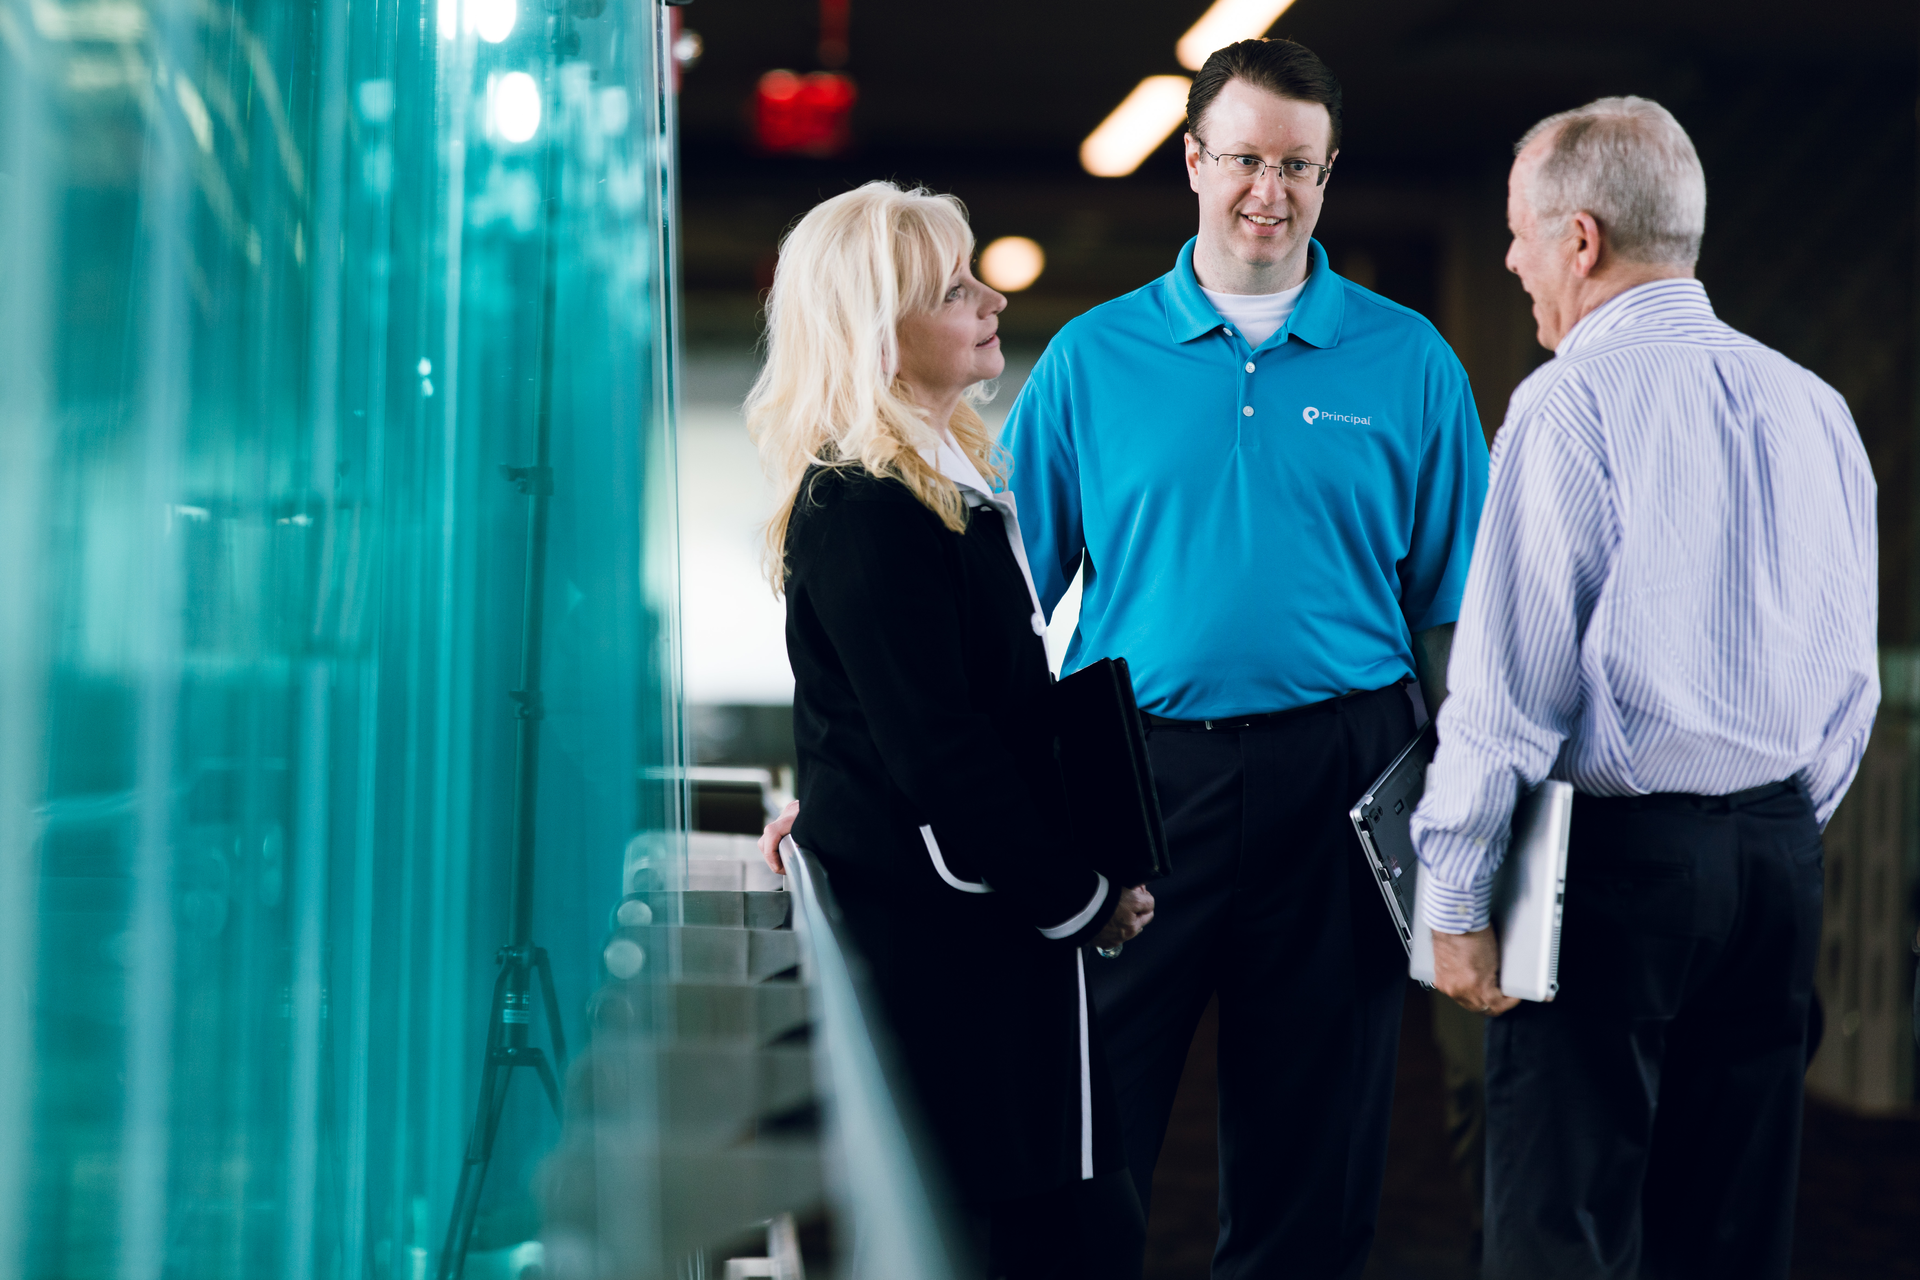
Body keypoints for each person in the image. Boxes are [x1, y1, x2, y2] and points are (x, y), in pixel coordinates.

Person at [1001, 38, 1489, 1278]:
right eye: (1244, 160)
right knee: (1089, 1123)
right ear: (1193, 163)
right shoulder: (1091, 360)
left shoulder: (1411, 362)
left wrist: (1470, 821)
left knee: (1314, 1148)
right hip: (1137, 774)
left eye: (1298, 166)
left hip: (1344, 774)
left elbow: (1460, 620)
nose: (1269, 191)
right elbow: (1002, 605)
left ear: (1328, 174)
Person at [1411, 96, 1879, 1280]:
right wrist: (1765, 828)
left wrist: (1453, 895)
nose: (1510, 258)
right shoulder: (1814, 404)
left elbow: (1507, 688)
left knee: (1560, 1230)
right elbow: (1852, 681)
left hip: (1610, 867)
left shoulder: (1567, 401)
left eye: (1520, 232)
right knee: (1730, 1233)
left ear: (1580, 239)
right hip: (1776, 861)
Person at [748, 181, 1156, 1280]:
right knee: (1056, 1235)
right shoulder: (865, 507)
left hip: (987, 939)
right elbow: (940, 749)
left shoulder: (939, 489)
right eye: (954, 289)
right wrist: (1080, 896)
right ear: (877, 333)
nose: (990, 299)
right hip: (956, 955)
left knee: (1079, 1225)